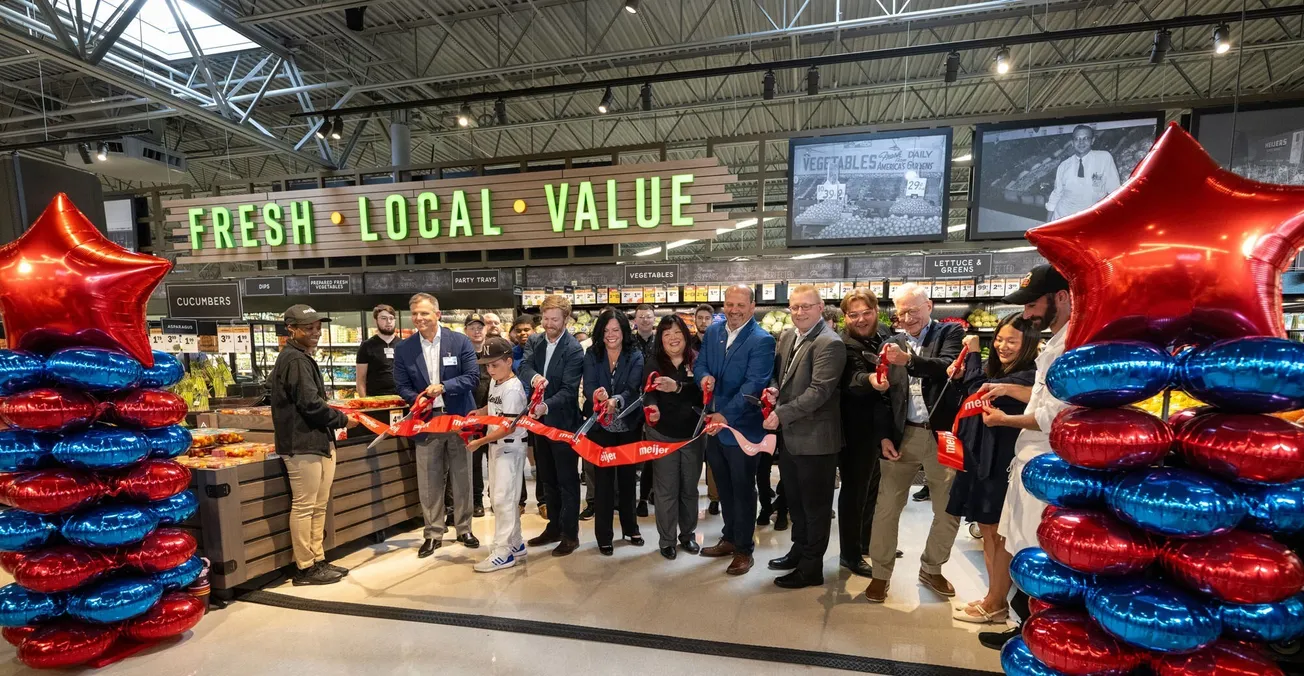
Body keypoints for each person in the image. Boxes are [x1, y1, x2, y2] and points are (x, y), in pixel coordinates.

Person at [978, 265, 1073, 649]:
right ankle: (1028, 630)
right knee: (1020, 545)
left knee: (1037, 551)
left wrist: (1004, 419)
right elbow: (1041, 399)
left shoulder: (1071, 346)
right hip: (1031, 464)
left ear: (1062, 297)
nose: (1029, 315)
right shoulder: (1055, 341)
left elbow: (1055, 416)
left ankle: (1040, 638)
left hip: (1047, 469)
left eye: (1034, 305)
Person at [865, 282, 965, 604]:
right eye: (901, 312)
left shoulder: (949, 335)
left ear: (929, 307)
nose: (907, 318)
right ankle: (880, 573)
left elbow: (945, 368)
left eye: (913, 310)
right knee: (886, 508)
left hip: (942, 436)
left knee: (948, 509)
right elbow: (882, 397)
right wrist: (882, 435)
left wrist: (907, 361)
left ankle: (931, 568)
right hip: (901, 435)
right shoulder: (890, 343)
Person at [946, 316, 1039, 623]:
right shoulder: (1001, 371)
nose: (1003, 346)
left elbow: (978, 389)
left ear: (1028, 345)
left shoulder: (1030, 375)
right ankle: (993, 597)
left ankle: (997, 600)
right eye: (1000, 339)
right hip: (983, 457)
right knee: (988, 530)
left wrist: (972, 355)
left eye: (1012, 341)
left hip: (1003, 462)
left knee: (1000, 535)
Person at [764, 285, 845, 589]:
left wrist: (781, 413)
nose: (799, 312)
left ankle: (812, 568)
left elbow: (819, 392)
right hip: (792, 439)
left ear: (820, 307)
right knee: (796, 503)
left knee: (816, 508)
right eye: (795, 307)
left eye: (806, 307)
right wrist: (775, 390)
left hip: (816, 440)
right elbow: (780, 375)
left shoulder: (829, 343)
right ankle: (798, 551)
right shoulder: (787, 336)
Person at [271, 304, 358, 586]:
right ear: (291, 330)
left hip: (316, 441)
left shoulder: (301, 358)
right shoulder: (295, 360)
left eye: (318, 327)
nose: (316, 332)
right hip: (302, 443)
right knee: (306, 506)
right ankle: (305, 567)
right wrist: (343, 420)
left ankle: (317, 559)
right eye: (308, 328)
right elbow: (309, 404)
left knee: (318, 505)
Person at [696, 284, 776, 576]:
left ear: (752, 307)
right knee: (724, 489)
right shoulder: (715, 332)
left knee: (743, 490)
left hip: (742, 430)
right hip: (715, 429)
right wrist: (703, 377)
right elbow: (701, 364)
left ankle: (744, 549)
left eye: (740, 305)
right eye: (729, 304)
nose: (734, 310)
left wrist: (722, 415)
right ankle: (729, 537)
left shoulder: (762, 340)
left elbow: (753, 385)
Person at [393, 293, 481, 558]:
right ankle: (432, 533)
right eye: (415, 314)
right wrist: (419, 400)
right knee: (429, 479)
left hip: (457, 419)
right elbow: (402, 385)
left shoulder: (460, 341)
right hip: (427, 422)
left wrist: (444, 387)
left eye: (424, 313)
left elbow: (472, 377)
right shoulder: (404, 348)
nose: (419, 318)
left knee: (462, 475)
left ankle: (464, 528)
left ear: (438, 314)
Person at [520, 294, 586, 556]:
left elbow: (570, 390)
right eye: (545, 318)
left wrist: (546, 406)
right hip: (538, 423)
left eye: (554, 319)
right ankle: (553, 527)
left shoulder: (573, 349)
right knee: (546, 477)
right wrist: (535, 377)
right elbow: (523, 365)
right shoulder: (535, 340)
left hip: (562, 422)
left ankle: (570, 534)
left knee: (567, 479)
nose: (548, 323)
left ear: (566, 319)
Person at [836, 288, 894, 579]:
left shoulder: (883, 335)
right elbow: (852, 379)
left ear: (876, 311)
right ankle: (849, 554)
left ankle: (866, 541)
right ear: (845, 317)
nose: (860, 319)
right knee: (854, 492)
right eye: (853, 314)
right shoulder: (843, 344)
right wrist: (871, 380)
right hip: (853, 428)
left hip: (879, 428)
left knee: (874, 488)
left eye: (865, 313)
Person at [582, 308, 646, 555]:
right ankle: (604, 535)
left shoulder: (635, 354)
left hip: (628, 424)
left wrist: (616, 400)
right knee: (604, 481)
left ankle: (631, 528)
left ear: (624, 331)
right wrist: (597, 396)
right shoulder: (592, 353)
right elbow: (588, 384)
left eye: (616, 330)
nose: (611, 335)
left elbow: (633, 388)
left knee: (629, 479)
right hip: (600, 425)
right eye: (606, 331)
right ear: (601, 332)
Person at [466, 337, 530, 572]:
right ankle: (515, 543)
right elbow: (494, 407)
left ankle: (503, 551)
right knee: (502, 497)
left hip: (510, 446)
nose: (489, 370)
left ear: (509, 362)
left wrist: (480, 441)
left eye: (494, 364)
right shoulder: (497, 382)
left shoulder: (513, 389)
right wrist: (480, 412)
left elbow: (508, 426)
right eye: (487, 365)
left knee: (503, 499)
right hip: (498, 446)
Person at [644, 314, 704, 560]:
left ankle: (688, 536)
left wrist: (678, 387)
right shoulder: (653, 362)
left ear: (685, 335)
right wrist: (652, 407)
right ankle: (667, 540)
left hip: (692, 436)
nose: (672, 338)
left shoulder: (697, 361)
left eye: (677, 332)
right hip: (663, 435)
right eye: (666, 334)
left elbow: (703, 393)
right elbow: (647, 393)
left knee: (689, 489)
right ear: (661, 338)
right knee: (666, 490)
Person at [1046, 124, 1122, 221]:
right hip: (1063, 219)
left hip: (1092, 219)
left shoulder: (1104, 158)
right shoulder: (1064, 166)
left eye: (1085, 138)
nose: (1081, 142)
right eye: (1077, 139)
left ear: (1092, 140)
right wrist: (1047, 223)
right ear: (1072, 142)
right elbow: (1056, 195)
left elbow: (1114, 191)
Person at [693, 303, 721, 516]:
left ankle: (714, 497)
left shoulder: (717, 342)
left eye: (706, 318)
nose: (703, 321)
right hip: (692, 404)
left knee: (713, 454)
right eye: (699, 318)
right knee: (694, 453)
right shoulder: (687, 343)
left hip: (713, 405)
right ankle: (691, 492)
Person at [632, 303, 658, 516]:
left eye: (648, 316)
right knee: (632, 450)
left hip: (655, 401)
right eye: (641, 317)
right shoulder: (629, 342)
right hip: (632, 401)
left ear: (654, 319)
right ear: (635, 320)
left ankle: (646, 495)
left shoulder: (661, 341)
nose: (645, 320)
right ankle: (630, 495)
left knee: (652, 450)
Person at [466, 313, 491, 518]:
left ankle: (499, 498)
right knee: (473, 461)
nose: (477, 330)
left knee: (496, 458)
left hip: (492, 413)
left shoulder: (493, 351)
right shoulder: (462, 352)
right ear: (466, 330)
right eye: (472, 327)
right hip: (470, 415)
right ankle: (476, 500)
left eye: (480, 327)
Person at [355, 304, 399, 397]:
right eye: (383, 318)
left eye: (391, 318)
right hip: (376, 400)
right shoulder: (366, 346)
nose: (388, 322)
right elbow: (360, 380)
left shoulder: (403, 345)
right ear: (376, 320)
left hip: (402, 399)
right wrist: (365, 403)